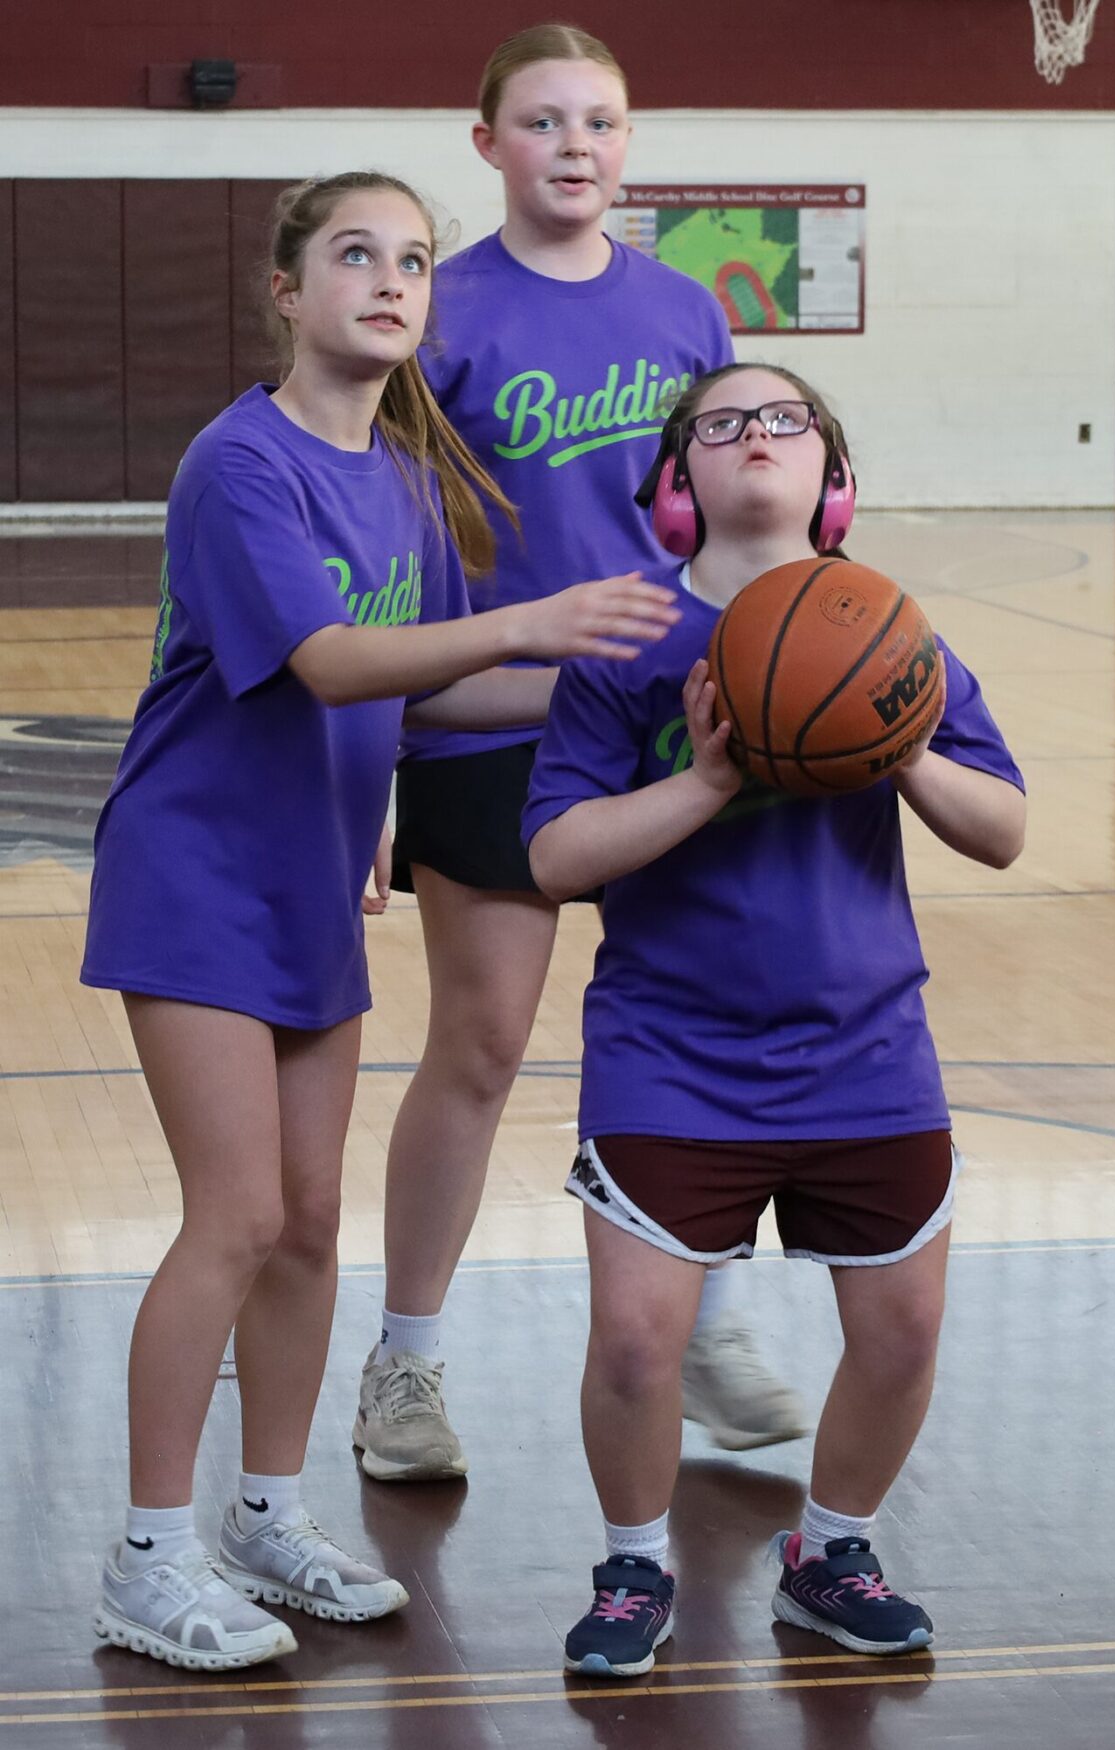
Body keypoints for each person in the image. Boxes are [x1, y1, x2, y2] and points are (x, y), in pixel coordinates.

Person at [79, 169, 679, 1673]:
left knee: (309, 1221)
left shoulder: (406, 479)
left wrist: (613, 675)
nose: (393, 280)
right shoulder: (242, 461)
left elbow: (422, 698)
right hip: (197, 866)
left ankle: (267, 1517)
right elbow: (335, 661)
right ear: (288, 290)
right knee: (237, 1215)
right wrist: (531, 617)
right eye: (357, 255)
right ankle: (147, 1555)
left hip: (312, 875)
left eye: (413, 259)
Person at [522, 362, 1027, 1677]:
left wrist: (904, 748)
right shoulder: (631, 641)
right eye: (722, 423)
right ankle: (636, 1566)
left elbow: (1004, 828)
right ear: (676, 483)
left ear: (833, 475)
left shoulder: (893, 635)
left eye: (787, 419)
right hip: (670, 1048)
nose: (757, 436)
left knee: (901, 1334)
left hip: (868, 1045)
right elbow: (557, 856)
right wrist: (704, 779)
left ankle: (832, 1552)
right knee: (636, 1344)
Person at [356, 22, 807, 1486]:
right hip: (494, 715)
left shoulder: (683, 311)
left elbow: (733, 516)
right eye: (544, 121)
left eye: (600, 122)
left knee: (701, 1025)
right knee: (482, 1043)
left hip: (668, 721)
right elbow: (385, 537)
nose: (575, 146)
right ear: (486, 143)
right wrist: (371, 754)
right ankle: (406, 1359)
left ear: (629, 144)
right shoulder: (444, 311)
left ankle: (711, 1323)